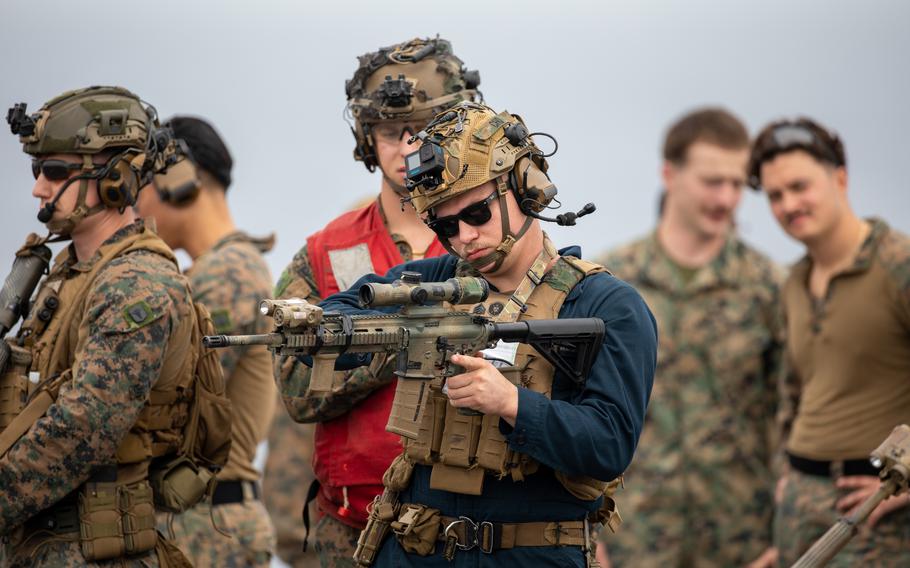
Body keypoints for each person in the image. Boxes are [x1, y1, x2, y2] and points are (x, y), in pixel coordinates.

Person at [282, 101, 657, 567]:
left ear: (525, 190)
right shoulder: (437, 280)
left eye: (477, 213)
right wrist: (366, 334)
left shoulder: (605, 305)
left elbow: (609, 444)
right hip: (415, 549)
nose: (464, 237)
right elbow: (347, 306)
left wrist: (512, 404)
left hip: (532, 554)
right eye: (444, 225)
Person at [265, 36, 481, 566]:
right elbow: (296, 389)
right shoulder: (323, 252)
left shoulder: (492, 243)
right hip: (351, 531)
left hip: (471, 529)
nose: (408, 148)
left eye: (425, 131)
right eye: (390, 132)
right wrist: (396, 350)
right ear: (368, 138)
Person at [0, 86, 229, 566]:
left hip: (91, 550)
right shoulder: (67, 271)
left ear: (115, 178)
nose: (39, 188)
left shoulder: (136, 283)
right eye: (37, 169)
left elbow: (83, 428)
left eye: (56, 172)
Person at [597, 108, 783, 568]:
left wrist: (784, 541)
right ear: (670, 173)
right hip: (633, 541)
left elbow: (796, 414)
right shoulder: (611, 286)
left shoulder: (770, 288)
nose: (726, 198)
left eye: (737, 184)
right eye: (712, 181)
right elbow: (580, 408)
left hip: (742, 542)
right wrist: (586, 530)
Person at [749, 117, 910, 567]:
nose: (789, 204)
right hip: (800, 514)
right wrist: (787, 480)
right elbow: (794, 393)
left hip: (872, 521)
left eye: (800, 186)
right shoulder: (795, 282)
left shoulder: (898, 265)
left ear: (840, 177)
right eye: (775, 195)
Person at [135, 115, 277, 566]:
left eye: (139, 182)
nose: (132, 202)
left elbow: (165, 397)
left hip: (207, 529)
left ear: (177, 181)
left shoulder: (228, 272)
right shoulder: (213, 269)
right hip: (198, 522)